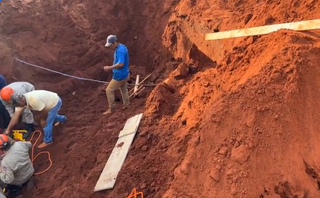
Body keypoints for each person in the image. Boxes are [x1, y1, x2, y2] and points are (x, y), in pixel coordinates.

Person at [103, 35, 130, 115]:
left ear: (114, 43)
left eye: (110, 45)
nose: (110, 47)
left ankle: (112, 109)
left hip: (120, 76)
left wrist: (109, 68)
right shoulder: (122, 46)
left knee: (109, 90)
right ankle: (126, 105)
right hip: (125, 73)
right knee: (124, 90)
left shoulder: (120, 51)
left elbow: (121, 64)